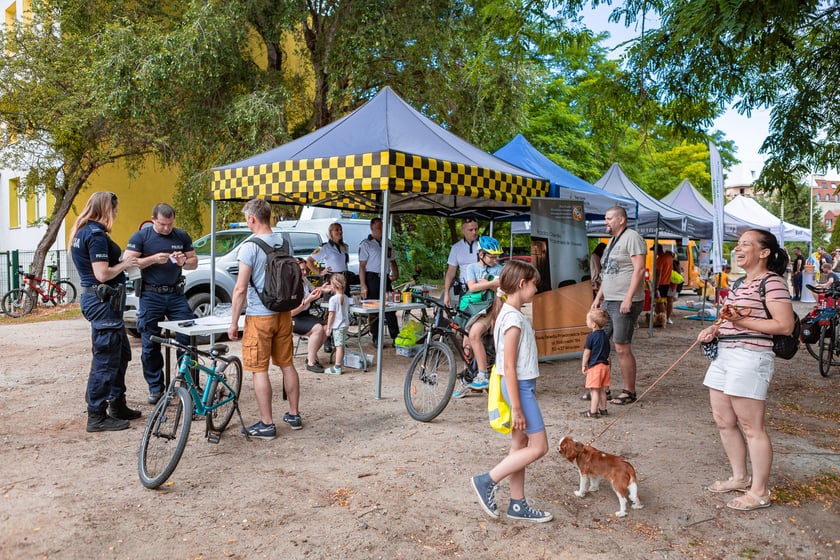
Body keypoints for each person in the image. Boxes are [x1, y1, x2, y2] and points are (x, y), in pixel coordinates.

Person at [697, 229, 795, 511]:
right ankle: (739, 476)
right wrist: (713, 330)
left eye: (745, 245)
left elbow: (784, 325)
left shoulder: (773, 282)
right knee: (723, 420)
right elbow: (728, 319)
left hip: (751, 357)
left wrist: (742, 323)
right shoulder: (739, 283)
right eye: (737, 245)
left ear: (764, 252)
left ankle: (760, 491)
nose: (738, 250)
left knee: (753, 428)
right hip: (725, 355)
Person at [470, 260, 552, 523]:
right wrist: (516, 406)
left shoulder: (507, 312)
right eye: (534, 285)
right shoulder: (513, 319)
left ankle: (517, 504)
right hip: (520, 389)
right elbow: (508, 366)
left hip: (518, 387)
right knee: (540, 447)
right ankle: (487, 480)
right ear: (521, 284)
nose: (536, 290)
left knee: (519, 446)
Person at [228, 198, 303, 439]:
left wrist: (233, 322)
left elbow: (240, 289)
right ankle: (293, 414)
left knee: (259, 369)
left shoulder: (249, 247)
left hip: (260, 316)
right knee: (287, 364)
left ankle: (266, 423)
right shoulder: (283, 241)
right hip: (283, 312)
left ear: (252, 219)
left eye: (246, 219)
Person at [69, 191, 141, 432]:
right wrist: (124, 265)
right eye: (115, 210)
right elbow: (102, 274)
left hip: (103, 303)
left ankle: (117, 404)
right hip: (102, 303)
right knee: (106, 360)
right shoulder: (96, 235)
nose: (117, 214)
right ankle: (97, 415)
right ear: (106, 209)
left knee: (119, 354)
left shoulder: (83, 232)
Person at [124, 203, 198, 405]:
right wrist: (153, 259)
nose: (167, 228)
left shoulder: (181, 236)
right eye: (163, 224)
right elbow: (127, 262)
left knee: (188, 337)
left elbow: (194, 261)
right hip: (150, 295)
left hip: (176, 294)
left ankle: (188, 384)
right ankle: (156, 388)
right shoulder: (141, 237)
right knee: (150, 343)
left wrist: (184, 262)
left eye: (170, 224)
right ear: (153, 219)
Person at [592, 206, 646, 406]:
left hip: (624, 300)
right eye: (605, 218)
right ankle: (602, 388)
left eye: (609, 218)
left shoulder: (632, 237)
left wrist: (628, 298)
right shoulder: (611, 242)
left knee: (621, 346)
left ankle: (629, 391)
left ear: (621, 219)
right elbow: (608, 274)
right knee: (601, 343)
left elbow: (640, 269)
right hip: (609, 299)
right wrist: (599, 297)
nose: (606, 222)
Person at [453, 235, 503, 397]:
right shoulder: (472, 268)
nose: (495, 260)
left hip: (490, 308)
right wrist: (491, 284)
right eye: (491, 256)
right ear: (481, 254)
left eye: (497, 257)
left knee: (474, 335)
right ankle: (468, 378)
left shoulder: (500, 269)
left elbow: (502, 290)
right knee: (467, 344)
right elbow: (472, 287)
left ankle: (483, 375)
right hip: (474, 308)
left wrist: (487, 285)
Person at [358, 217, 400, 346]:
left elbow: (392, 260)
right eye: (378, 228)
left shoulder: (387, 242)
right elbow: (362, 266)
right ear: (372, 228)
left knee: (390, 307)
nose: (381, 230)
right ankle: (376, 336)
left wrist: (396, 272)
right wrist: (363, 285)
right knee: (374, 308)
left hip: (385, 278)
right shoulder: (366, 244)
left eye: (383, 227)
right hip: (372, 278)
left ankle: (395, 336)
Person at [291, 258, 330, 373]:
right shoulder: (289, 285)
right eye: (302, 270)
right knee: (318, 328)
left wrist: (323, 289)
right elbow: (291, 313)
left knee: (327, 328)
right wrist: (308, 300)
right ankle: (311, 363)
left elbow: (314, 291)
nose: (305, 272)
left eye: (305, 269)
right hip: (293, 318)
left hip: (305, 314)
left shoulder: (304, 280)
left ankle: (310, 356)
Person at [443, 218, 479, 308]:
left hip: (481, 288)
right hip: (464, 289)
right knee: (464, 317)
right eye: (470, 230)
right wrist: (446, 293)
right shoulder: (456, 248)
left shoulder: (484, 245)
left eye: (476, 229)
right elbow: (451, 272)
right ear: (463, 231)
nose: (474, 232)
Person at [581, 308, 611, 418]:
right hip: (605, 366)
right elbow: (608, 352)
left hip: (595, 367)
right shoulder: (605, 336)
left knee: (594, 391)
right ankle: (603, 409)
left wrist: (584, 364)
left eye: (587, 320)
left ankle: (593, 411)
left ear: (593, 324)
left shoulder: (591, 337)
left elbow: (587, 352)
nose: (586, 322)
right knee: (603, 390)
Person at [324, 273, 350, 375]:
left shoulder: (333, 299)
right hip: (344, 324)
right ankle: (339, 364)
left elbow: (331, 315)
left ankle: (337, 366)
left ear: (333, 286)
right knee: (341, 345)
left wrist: (328, 328)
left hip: (337, 325)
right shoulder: (346, 297)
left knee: (339, 346)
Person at [654, 245, 674, 324]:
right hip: (667, 282)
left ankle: (663, 319)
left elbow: (658, 273)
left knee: (660, 301)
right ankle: (664, 318)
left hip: (661, 283)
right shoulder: (669, 257)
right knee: (665, 301)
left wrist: (656, 286)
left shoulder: (660, 259)